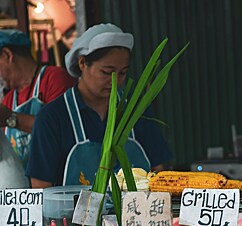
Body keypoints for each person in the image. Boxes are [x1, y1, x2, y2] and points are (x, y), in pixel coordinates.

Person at [27, 23, 171, 188]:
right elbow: (40, 187)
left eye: (122, 72)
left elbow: (159, 171)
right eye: (107, 72)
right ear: (82, 63)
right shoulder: (52, 118)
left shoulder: (136, 111)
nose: (115, 81)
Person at [0, 29, 76, 169]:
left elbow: (61, 130)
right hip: (23, 187)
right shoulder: (8, 100)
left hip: (57, 184)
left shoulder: (54, 79)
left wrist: (11, 118)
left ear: (7, 55)